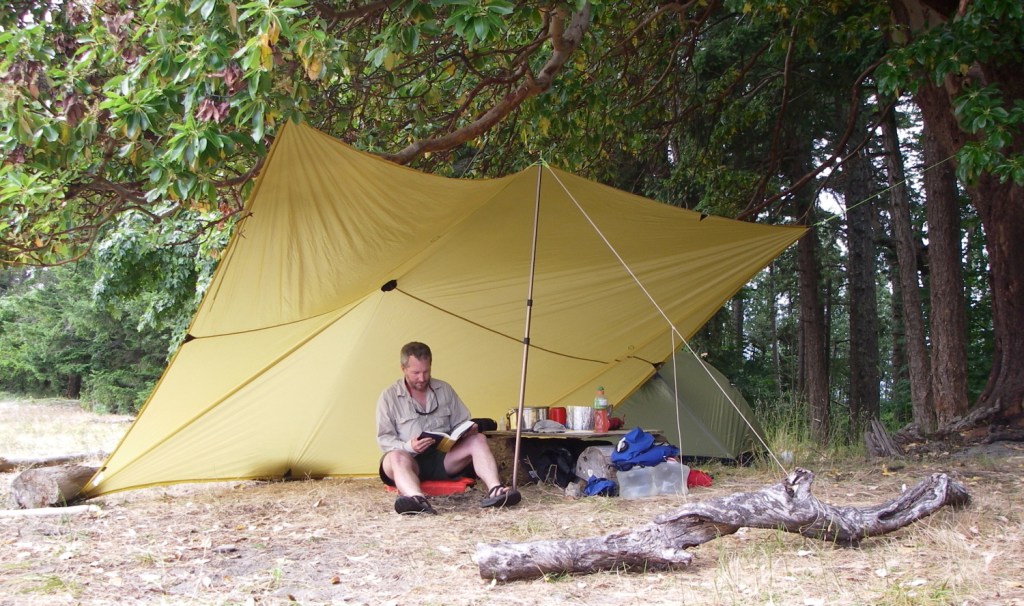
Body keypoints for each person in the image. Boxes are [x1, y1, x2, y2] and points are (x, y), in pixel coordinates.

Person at [376, 341, 521, 515]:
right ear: (403, 368)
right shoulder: (389, 396)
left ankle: (495, 490)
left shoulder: (444, 389)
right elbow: (384, 439)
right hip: (408, 461)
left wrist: (468, 430)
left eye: (426, 372)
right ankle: (416, 499)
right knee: (396, 456)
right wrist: (409, 446)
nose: (421, 378)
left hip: (443, 459)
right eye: (415, 373)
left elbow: (461, 422)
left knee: (478, 439)